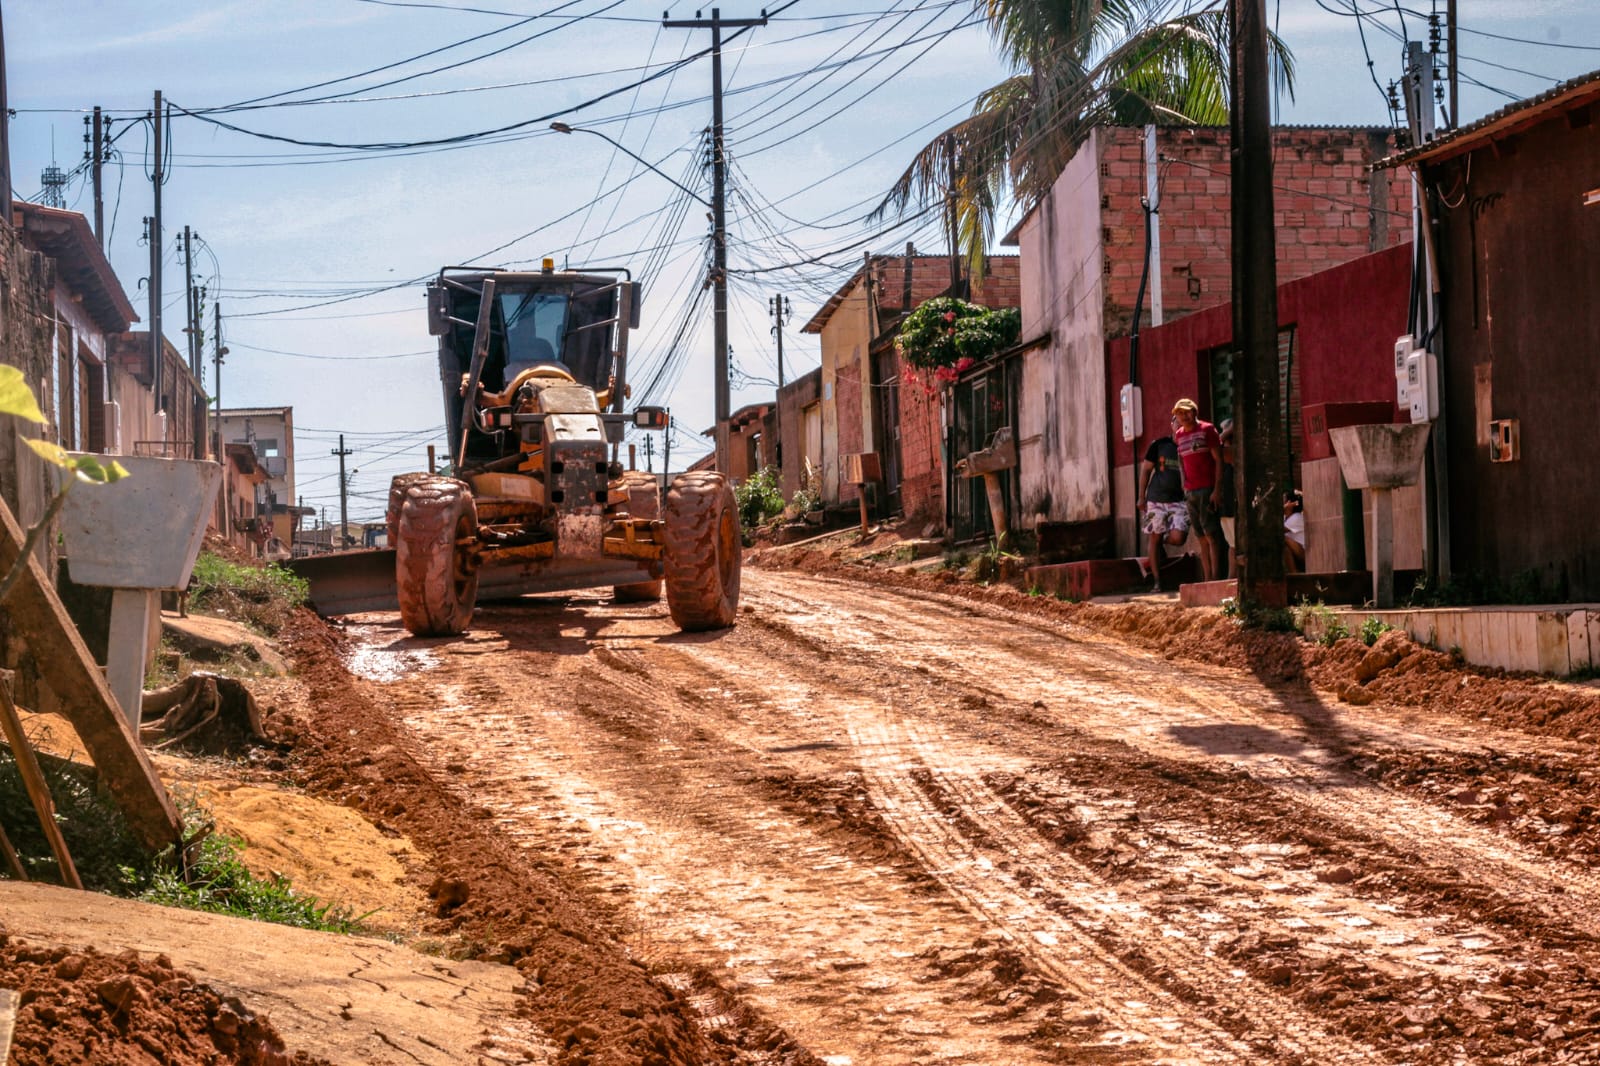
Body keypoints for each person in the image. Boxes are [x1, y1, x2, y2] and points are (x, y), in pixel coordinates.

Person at [1171, 398, 1227, 581]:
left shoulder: (1207, 430)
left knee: (1212, 535)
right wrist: (1183, 481)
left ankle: (1216, 578)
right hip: (1190, 492)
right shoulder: (1179, 435)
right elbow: (1181, 460)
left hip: (1207, 490)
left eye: (1187, 412)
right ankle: (1207, 578)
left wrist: (1217, 490)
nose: (1183, 416)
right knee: (1201, 537)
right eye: (1180, 413)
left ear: (1194, 412)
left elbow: (1219, 459)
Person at [1137, 426, 1188, 591]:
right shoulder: (1159, 445)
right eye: (1177, 422)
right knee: (1154, 537)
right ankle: (1157, 582)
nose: (1180, 425)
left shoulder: (1189, 444)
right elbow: (1145, 471)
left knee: (1179, 538)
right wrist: (1141, 497)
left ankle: (1160, 540)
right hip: (1156, 500)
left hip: (1179, 500)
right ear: (1172, 425)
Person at [1215, 419, 1238, 577]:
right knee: (1233, 544)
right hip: (1227, 506)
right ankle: (1231, 578)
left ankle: (1232, 578)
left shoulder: (1234, 454)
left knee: (1234, 545)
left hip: (1231, 505)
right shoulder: (1222, 454)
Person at [1283, 489, 1307, 573]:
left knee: (1282, 539)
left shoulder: (1296, 517)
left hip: (1303, 553)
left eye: (1284, 501)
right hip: (1293, 553)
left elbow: (1278, 530)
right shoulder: (1285, 518)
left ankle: (1294, 572)